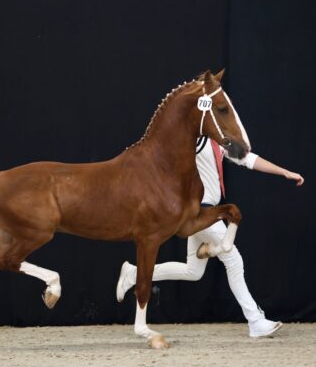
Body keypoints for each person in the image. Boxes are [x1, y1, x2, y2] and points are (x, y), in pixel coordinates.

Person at [116, 134, 304, 338]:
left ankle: (134, 274)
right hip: (202, 211)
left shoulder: (218, 142)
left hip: (205, 211)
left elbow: (248, 159)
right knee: (233, 260)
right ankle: (255, 321)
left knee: (193, 271)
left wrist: (283, 172)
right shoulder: (196, 140)